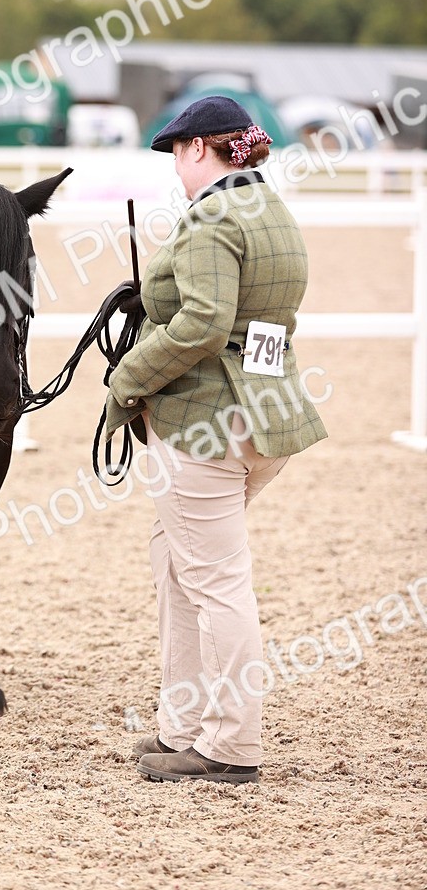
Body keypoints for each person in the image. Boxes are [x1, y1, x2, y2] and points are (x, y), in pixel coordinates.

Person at [106, 95, 327, 785]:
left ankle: (231, 744)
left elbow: (203, 325)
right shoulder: (274, 213)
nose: (176, 167)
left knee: (216, 582)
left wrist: (127, 379)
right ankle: (181, 725)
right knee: (178, 561)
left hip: (206, 422)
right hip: (268, 418)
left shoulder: (210, 219)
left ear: (200, 148)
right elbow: (244, 314)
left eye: (177, 153)